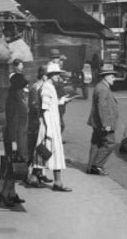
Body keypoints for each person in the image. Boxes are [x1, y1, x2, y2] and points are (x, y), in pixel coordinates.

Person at [33, 63, 72, 192]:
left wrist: (61, 101)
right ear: (50, 75)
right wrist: (49, 129)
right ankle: (57, 182)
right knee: (50, 152)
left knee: (45, 153)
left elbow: (51, 105)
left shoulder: (50, 87)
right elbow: (44, 109)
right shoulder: (47, 88)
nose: (58, 77)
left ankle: (35, 177)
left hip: (51, 124)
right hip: (49, 125)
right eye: (56, 74)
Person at [0, 72, 29, 207]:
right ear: (17, 87)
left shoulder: (17, 97)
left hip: (19, 136)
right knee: (12, 166)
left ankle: (12, 193)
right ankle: (5, 194)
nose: (23, 89)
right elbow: (11, 123)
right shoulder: (12, 100)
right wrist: (14, 143)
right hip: (14, 138)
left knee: (16, 165)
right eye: (21, 87)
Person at [86, 64, 119, 176]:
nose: (114, 78)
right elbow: (102, 108)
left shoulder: (101, 86)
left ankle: (90, 167)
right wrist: (106, 124)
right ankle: (97, 165)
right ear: (105, 77)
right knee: (110, 143)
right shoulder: (103, 89)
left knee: (96, 143)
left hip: (97, 122)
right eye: (112, 76)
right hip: (102, 123)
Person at [25, 65, 52, 187]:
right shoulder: (35, 88)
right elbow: (35, 107)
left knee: (40, 148)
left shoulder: (42, 86)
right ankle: (29, 176)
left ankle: (39, 174)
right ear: (43, 76)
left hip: (40, 122)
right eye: (48, 76)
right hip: (35, 123)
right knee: (33, 149)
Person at [46, 48, 68, 135]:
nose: (58, 60)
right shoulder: (51, 67)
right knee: (59, 120)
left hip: (60, 97)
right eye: (56, 58)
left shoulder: (56, 66)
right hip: (56, 98)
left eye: (58, 58)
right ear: (52, 59)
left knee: (60, 117)